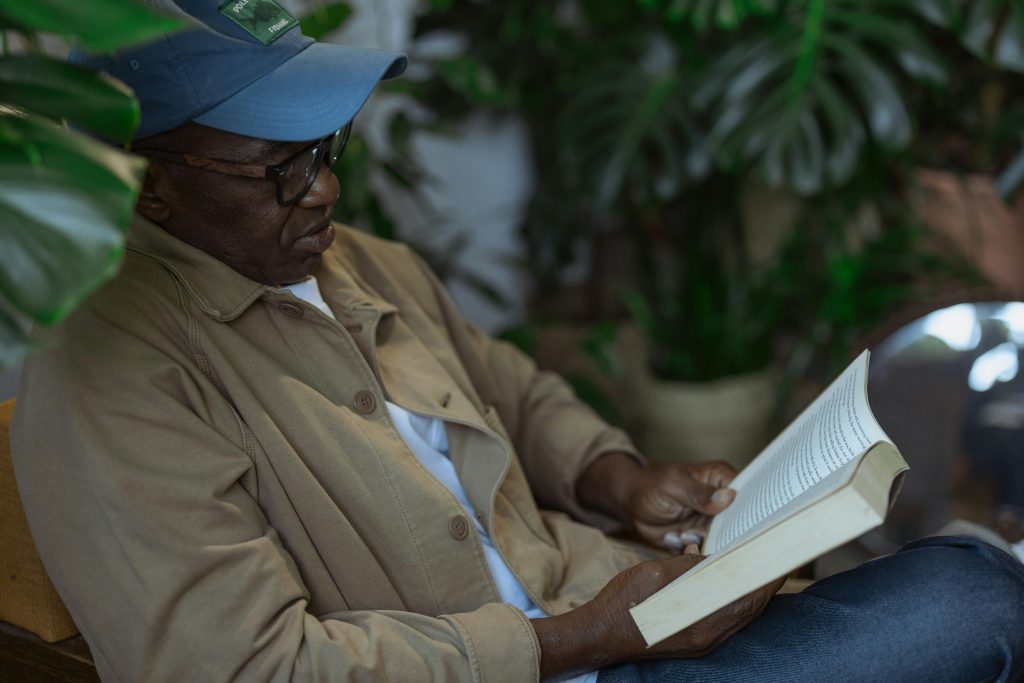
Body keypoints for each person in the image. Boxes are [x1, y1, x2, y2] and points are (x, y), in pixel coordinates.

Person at [11, 1, 1024, 681]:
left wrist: (617, 476)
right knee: (967, 600)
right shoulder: (112, 370)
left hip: (606, 623)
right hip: (574, 648)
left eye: (326, 147)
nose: (320, 188)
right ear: (153, 174)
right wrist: (580, 635)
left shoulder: (354, 259)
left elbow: (517, 389)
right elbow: (240, 666)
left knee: (962, 581)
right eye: (276, 167)